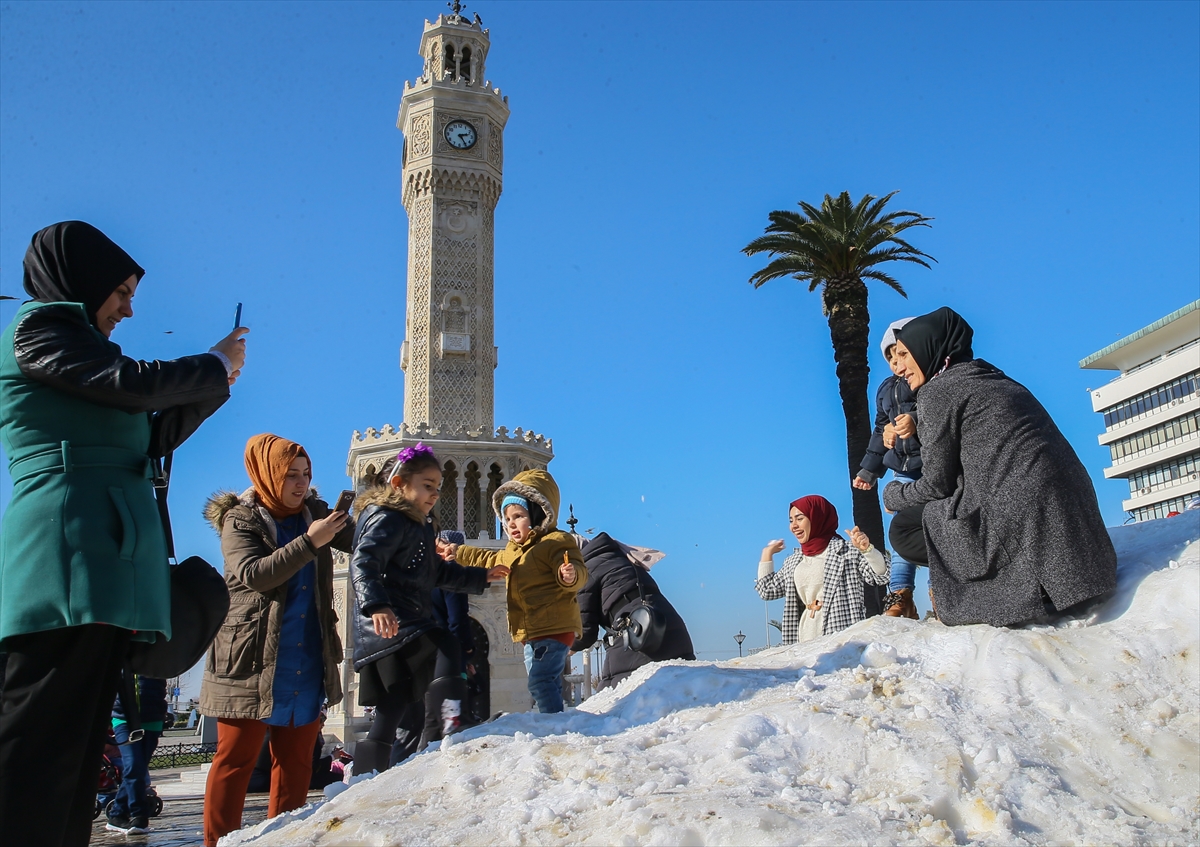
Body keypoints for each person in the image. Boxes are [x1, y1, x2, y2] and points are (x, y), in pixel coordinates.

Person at [0, 221, 243, 846]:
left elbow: (148, 432)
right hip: (68, 557)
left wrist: (215, 384)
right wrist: (209, 365)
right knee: (37, 741)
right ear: (80, 282)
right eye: (121, 291)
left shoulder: (80, 354)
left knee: (77, 748)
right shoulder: (41, 330)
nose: (129, 309)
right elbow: (133, 386)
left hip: (102, 563)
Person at [882, 306, 1118, 626]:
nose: (901, 368)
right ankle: (1043, 574)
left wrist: (893, 494)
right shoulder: (995, 378)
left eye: (906, 354)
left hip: (1020, 521)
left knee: (904, 526)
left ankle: (1011, 585)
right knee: (944, 511)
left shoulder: (938, 391)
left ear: (929, 347)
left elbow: (938, 484)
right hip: (1086, 555)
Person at [200, 434, 353, 847]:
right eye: (290, 475)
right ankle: (217, 843)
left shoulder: (315, 513)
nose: (300, 484)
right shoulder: (241, 520)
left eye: (305, 475)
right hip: (250, 659)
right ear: (268, 473)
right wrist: (310, 542)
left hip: (304, 657)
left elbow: (365, 543)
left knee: (296, 762)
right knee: (235, 760)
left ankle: (284, 840)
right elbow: (255, 573)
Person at [347, 445, 508, 774]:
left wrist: (480, 576)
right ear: (399, 484)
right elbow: (363, 562)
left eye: (437, 486)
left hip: (401, 621)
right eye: (426, 485)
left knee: (396, 707)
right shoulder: (389, 518)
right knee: (446, 644)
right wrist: (376, 605)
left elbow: (435, 573)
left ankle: (365, 775)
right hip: (389, 623)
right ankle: (452, 720)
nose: (434, 494)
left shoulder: (417, 524)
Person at [456, 469, 588, 714]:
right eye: (507, 519)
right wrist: (457, 552)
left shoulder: (555, 541)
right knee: (540, 681)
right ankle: (553, 716)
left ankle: (554, 724)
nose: (511, 524)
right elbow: (487, 557)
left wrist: (568, 575)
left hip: (554, 628)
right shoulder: (511, 551)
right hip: (532, 632)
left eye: (519, 515)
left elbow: (576, 570)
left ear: (537, 513)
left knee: (540, 681)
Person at [851, 317, 924, 619]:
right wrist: (869, 470)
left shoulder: (929, 383)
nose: (896, 364)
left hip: (932, 464)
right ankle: (900, 592)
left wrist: (917, 421)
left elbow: (944, 412)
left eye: (903, 355)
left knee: (940, 528)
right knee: (902, 528)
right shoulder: (885, 390)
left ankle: (939, 588)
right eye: (891, 358)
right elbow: (879, 430)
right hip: (902, 470)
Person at [389, 530, 479, 767]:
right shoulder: (450, 576)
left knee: (418, 720)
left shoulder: (414, 571)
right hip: (443, 656)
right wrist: (467, 651)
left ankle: (407, 768)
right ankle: (431, 766)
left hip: (412, 653)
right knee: (444, 717)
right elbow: (457, 620)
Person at [756, 496, 890, 644]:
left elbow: (881, 576)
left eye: (799, 518)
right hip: (803, 639)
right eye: (791, 520)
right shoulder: (794, 562)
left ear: (818, 517)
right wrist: (767, 553)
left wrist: (868, 550)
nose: (793, 526)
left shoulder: (847, 551)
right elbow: (766, 590)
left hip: (841, 639)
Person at [570, 532, 695, 689]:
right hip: (669, 629)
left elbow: (585, 632)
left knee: (615, 697)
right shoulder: (619, 557)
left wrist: (565, 649)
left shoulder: (585, 572)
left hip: (639, 637)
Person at [106, 674, 169, 834]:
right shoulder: (120, 650)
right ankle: (139, 815)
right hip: (123, 717)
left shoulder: (159, 652)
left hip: (153, 715)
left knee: (137, 769)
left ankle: (117, 815)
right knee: (134, 764)